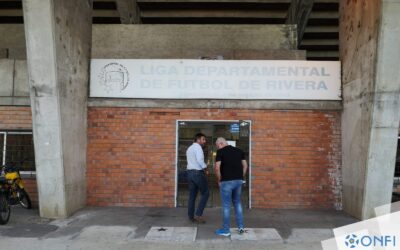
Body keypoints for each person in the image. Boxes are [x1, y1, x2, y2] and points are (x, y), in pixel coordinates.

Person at [214, 137, 248, 236]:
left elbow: (217, 168)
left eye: (217, 146)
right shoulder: (239, 151)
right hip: (238, 181)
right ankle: (241, 227)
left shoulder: (220, 152)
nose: (218, 147)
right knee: (237, 203)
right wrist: (241, 177)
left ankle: (226, 230)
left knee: (226, 206)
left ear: (220, 143)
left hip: (226, 182)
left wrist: (219, 180)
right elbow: (245, 165)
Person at [186, 132, 209, 223]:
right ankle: (198, 215)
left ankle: (191, 216)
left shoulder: (189, 148)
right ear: (198, 139)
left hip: (189, 173)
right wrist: (205, 168)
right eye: (203, 139)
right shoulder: (198, 147)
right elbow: (199, 160)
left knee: (192, 195)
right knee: (206, 193)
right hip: (197, 173)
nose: (204, 141)